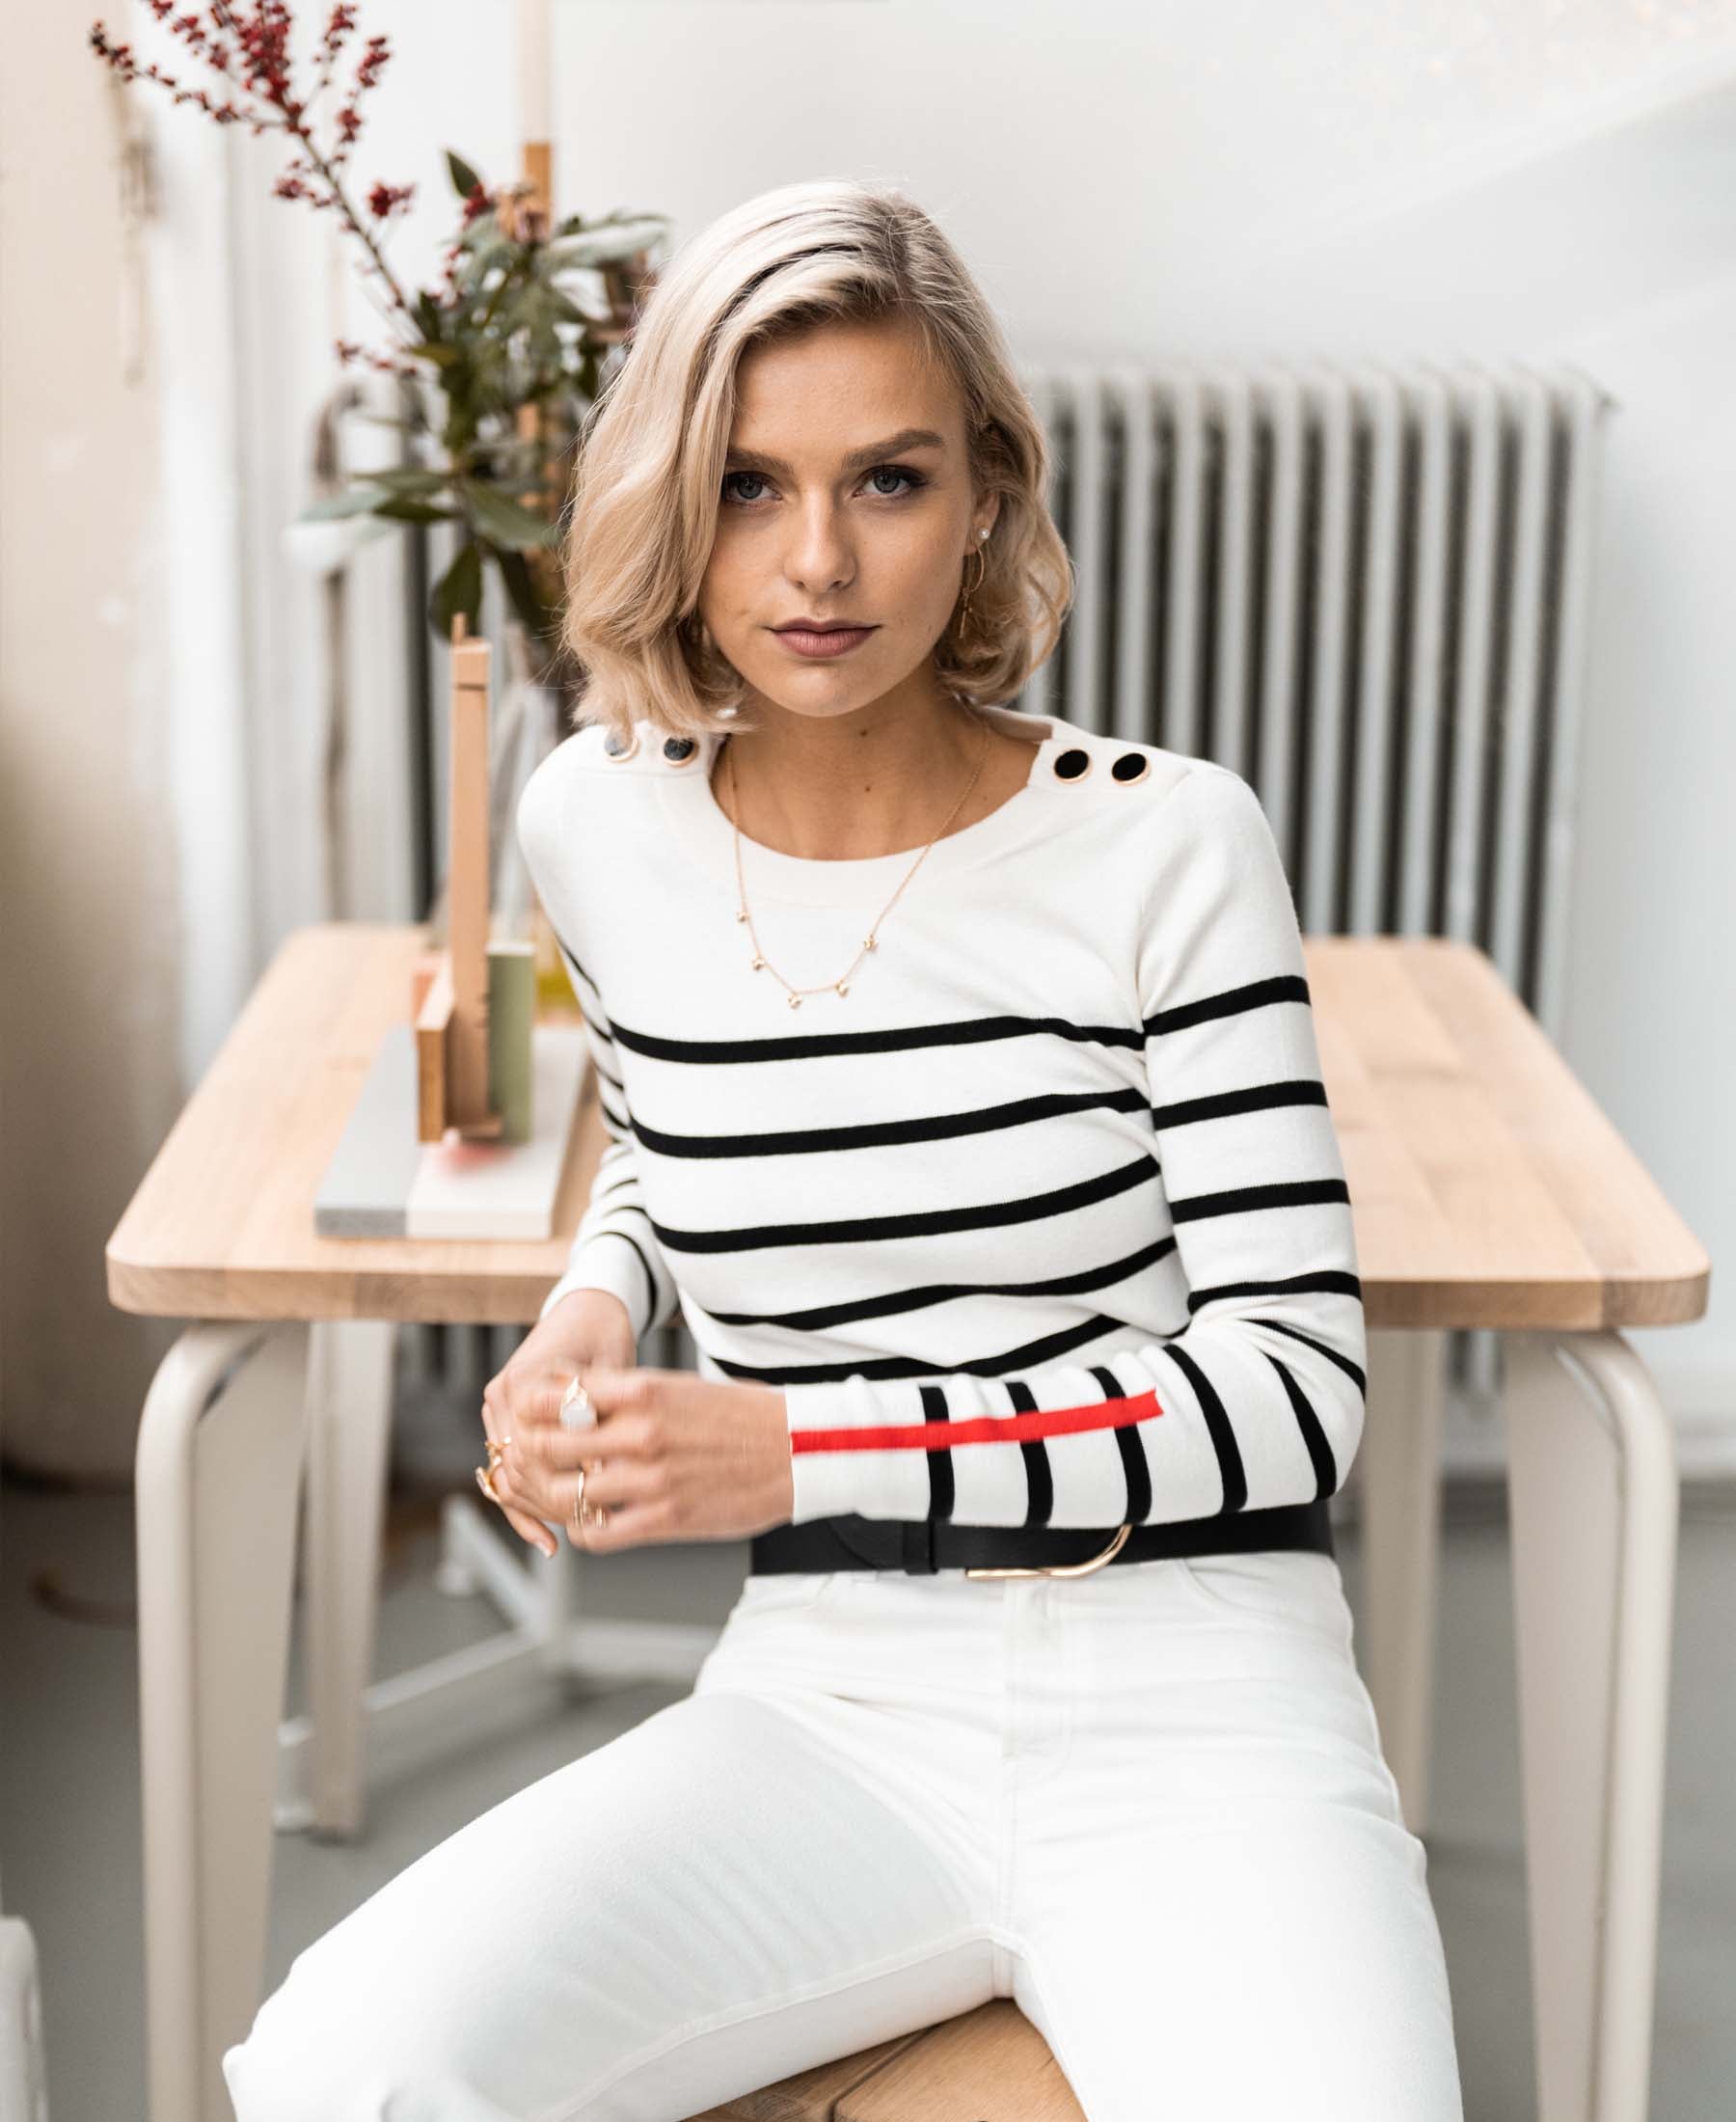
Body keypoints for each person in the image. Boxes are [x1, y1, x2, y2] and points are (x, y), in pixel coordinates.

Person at [223, 177, 1465, 2122]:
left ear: (984, 495)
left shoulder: (1168, 839)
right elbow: (668, 1121)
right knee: (344, 2066)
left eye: (887, 479)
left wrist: (798, 1443)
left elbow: (1296, 1393)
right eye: (747, 483)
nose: (817, 559)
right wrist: (588, 1304)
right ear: (671, 500)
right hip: (836, 1687)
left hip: (1200, 1679)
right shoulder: (597, 826)